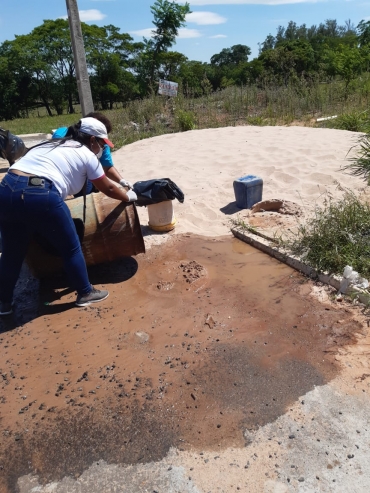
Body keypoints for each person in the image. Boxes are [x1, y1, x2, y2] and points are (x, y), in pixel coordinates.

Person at [0, 117, 137, 316]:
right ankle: (86, 293)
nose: (101, 148)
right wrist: (127, 195)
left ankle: (3, 303)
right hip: (40, 194)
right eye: (101, 143)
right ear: (92, 140)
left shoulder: (50, 144)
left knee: (12, 253)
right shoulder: (85, 154)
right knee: (71, 247)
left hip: (5, 191)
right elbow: (106, 186)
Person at [52, 112, 132, 197]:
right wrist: (127, 198)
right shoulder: (61, 135)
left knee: (86, 187)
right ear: (92, 138)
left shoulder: (101, 144)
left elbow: (107, 167)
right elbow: (109, 189)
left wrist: (122, 181)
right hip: (59, 176)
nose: (103, 146)